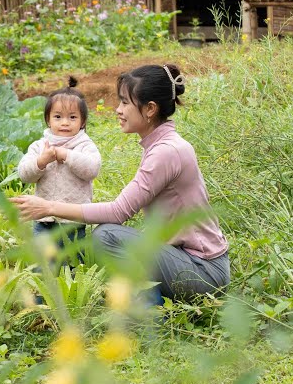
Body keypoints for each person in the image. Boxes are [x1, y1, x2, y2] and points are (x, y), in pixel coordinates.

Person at [11, 64, 228, 307]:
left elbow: (118, 212)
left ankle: (149, 308)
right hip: (189, 262)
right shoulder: (162, 145)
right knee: (107, 237)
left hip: (203, 272)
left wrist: (49, 207)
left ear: (149, 109)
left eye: (125, 103)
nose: (118, 110)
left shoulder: (167, 152)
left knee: (106, 235)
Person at [16, 77, 101, 264]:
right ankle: (43, 290)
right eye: (58, 117)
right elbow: (24, 174)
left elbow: (92, 169)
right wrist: (41, 161)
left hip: (73, 220)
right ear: (48, 120)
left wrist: (67, 156)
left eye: (72, 117)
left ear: (83, 121)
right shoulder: (40, 146)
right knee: (43, 263)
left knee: (72, 263)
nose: (65, 123)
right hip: (43, 220)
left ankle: (72, 289)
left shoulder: (84, 145)